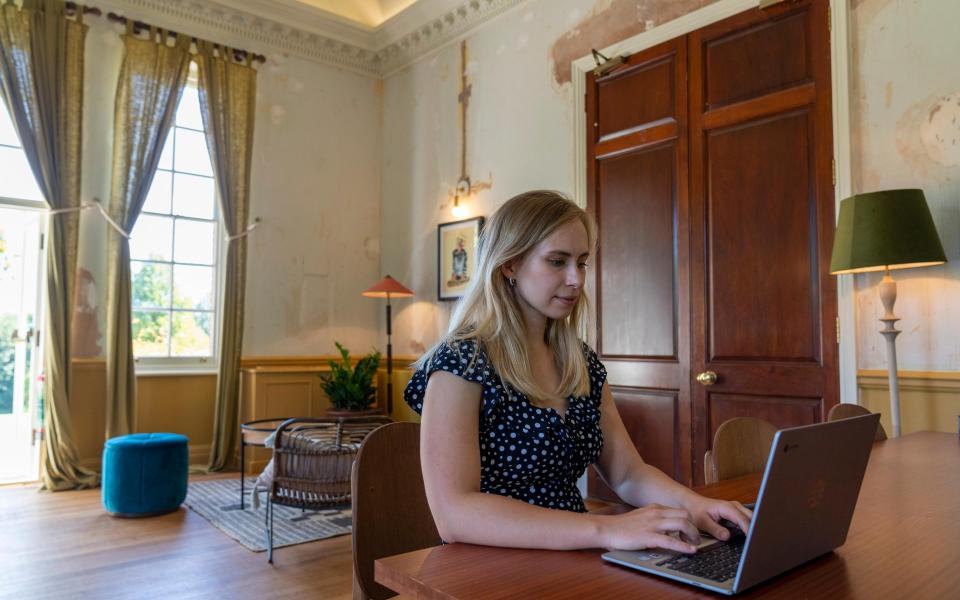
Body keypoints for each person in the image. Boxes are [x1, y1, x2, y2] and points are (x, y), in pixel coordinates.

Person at [403, 190, 751, 553]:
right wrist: (606, 529)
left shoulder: (578, 361)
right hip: (489, 561)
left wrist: (695, 505)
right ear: (510, 264)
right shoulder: (462, 362)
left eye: (581, 262)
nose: (577, 279)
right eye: (557, 261)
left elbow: (628, 473)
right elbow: (454, 514)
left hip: (572, 553)